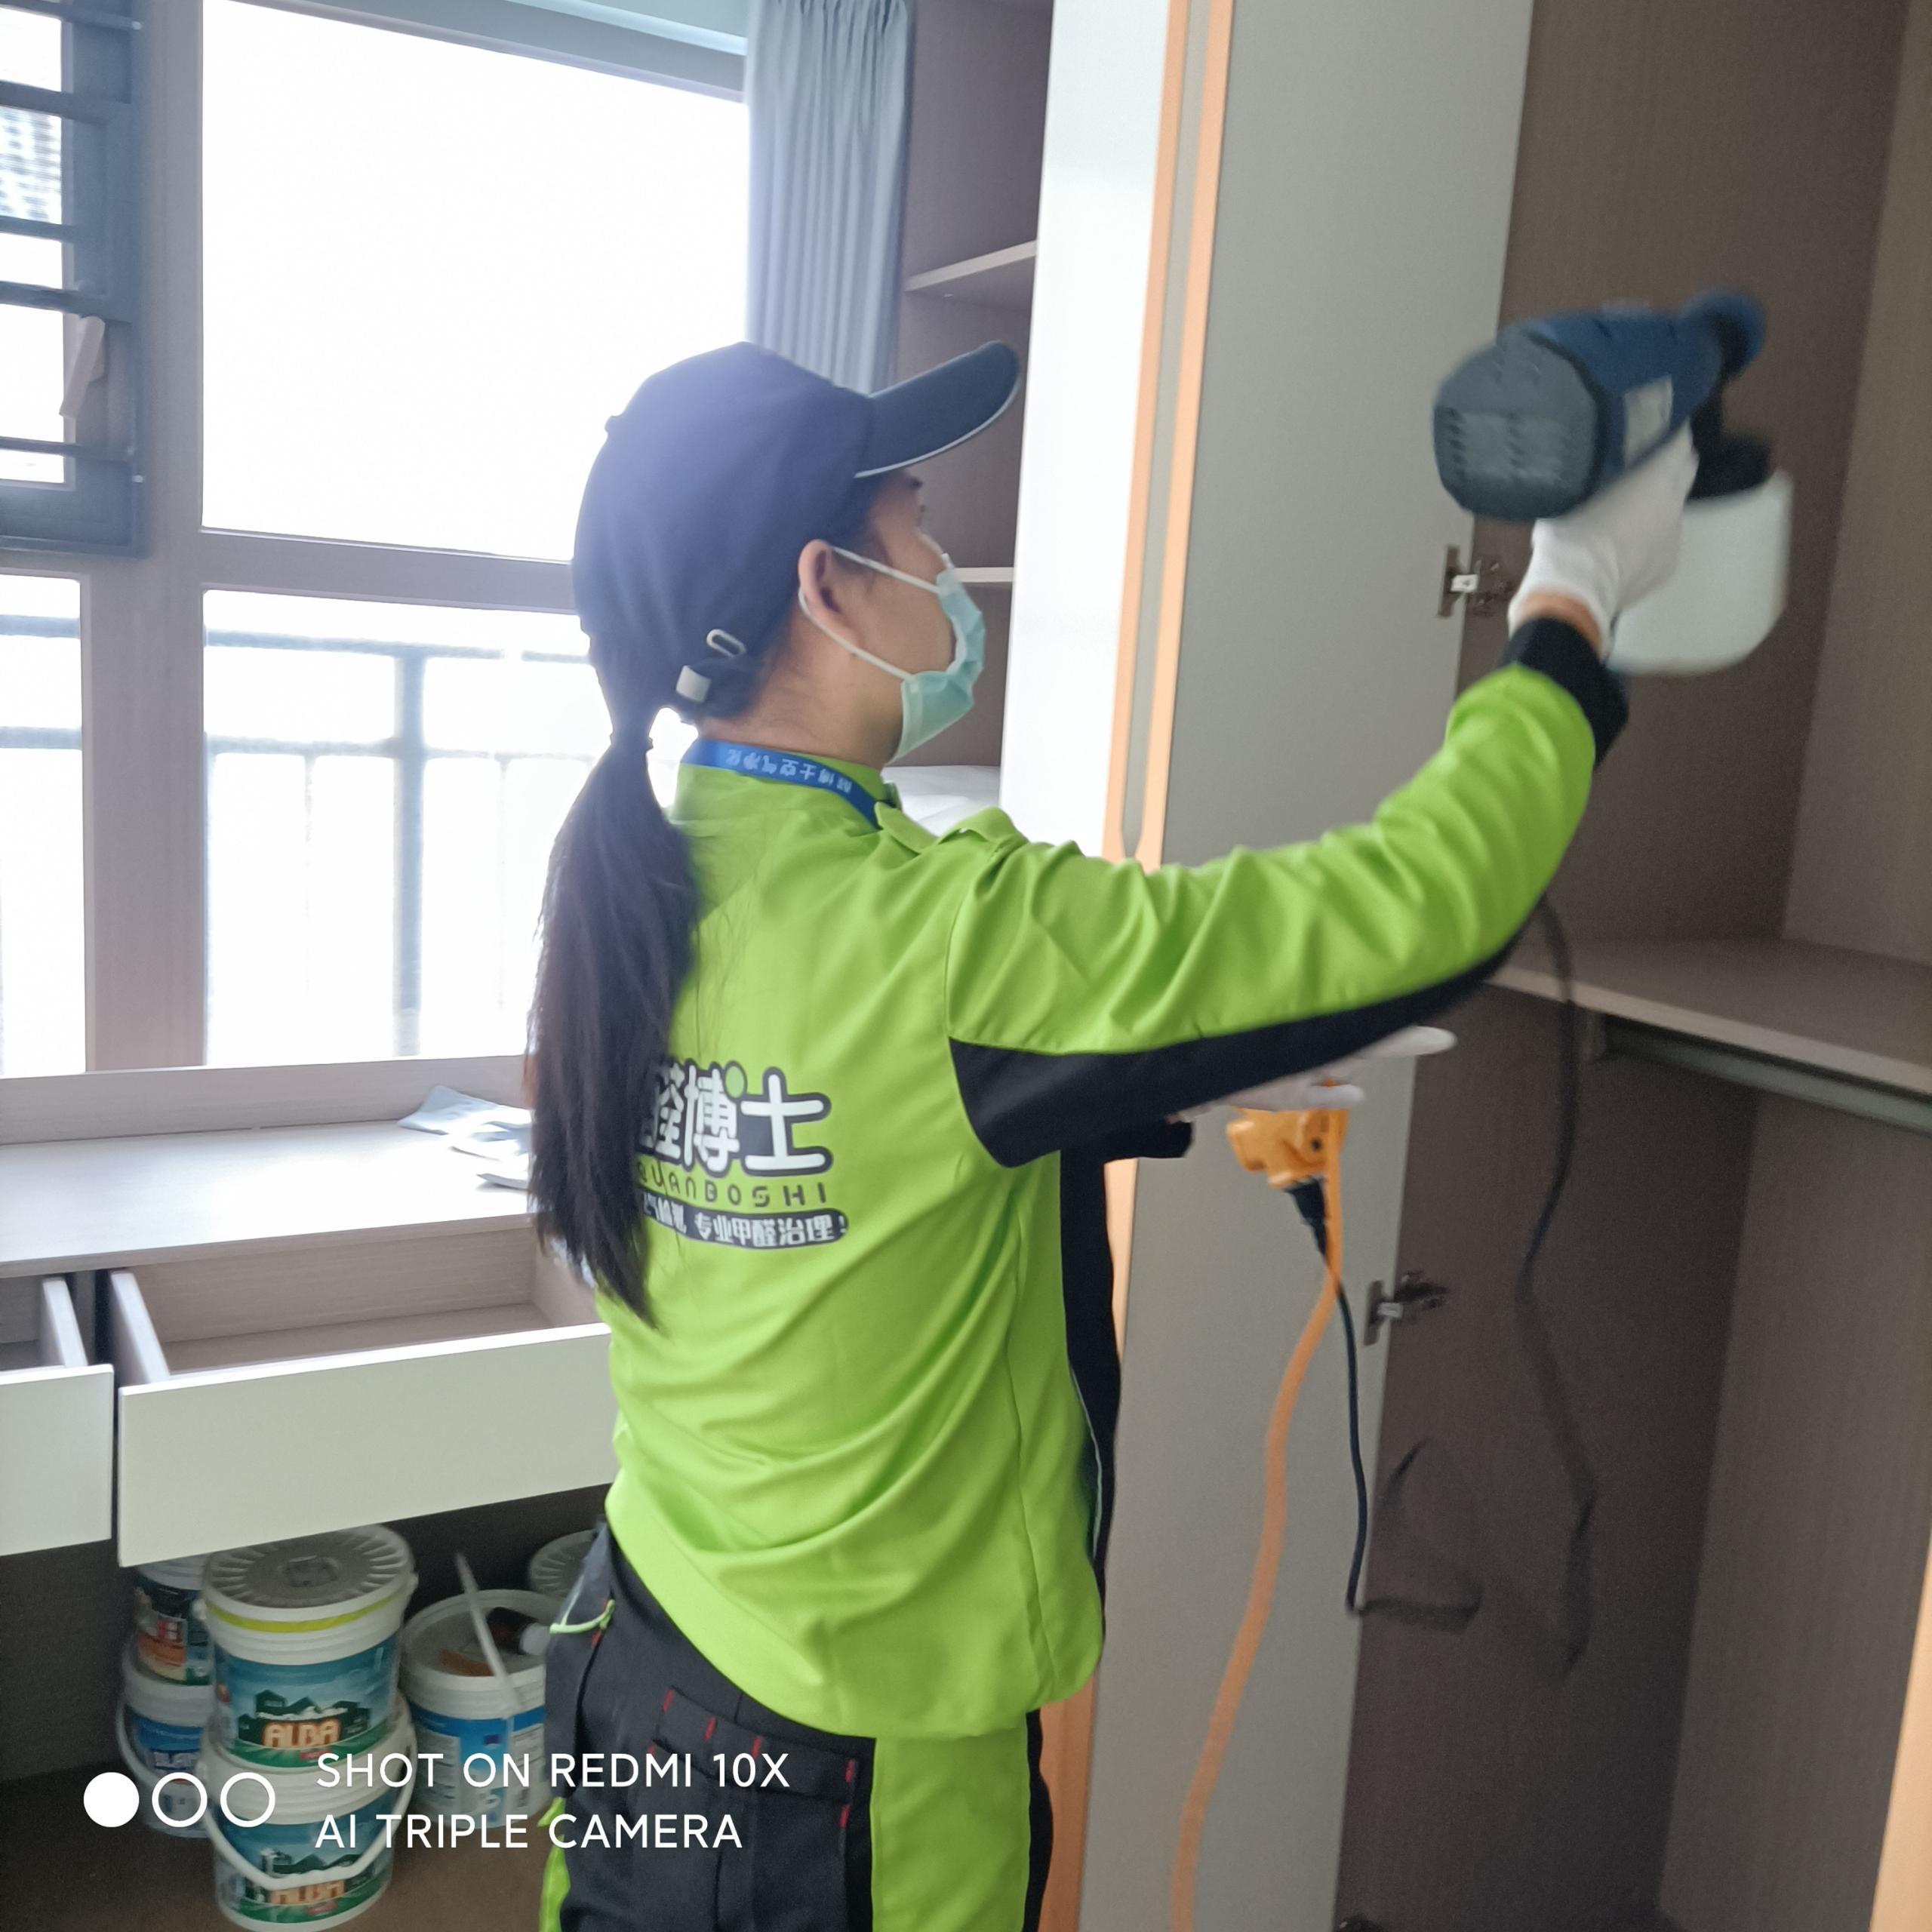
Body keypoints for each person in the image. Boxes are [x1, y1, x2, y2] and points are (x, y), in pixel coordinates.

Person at [530, 338, 1695, 1931]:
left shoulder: (644, 899)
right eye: (917, 523)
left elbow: (861, 1143)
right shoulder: (944, 940)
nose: (945, 566)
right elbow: (1423, 906)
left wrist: (1129, 1084)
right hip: (856, 1774)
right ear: (828, 583)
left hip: (640, 1658)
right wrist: (1571, 604)